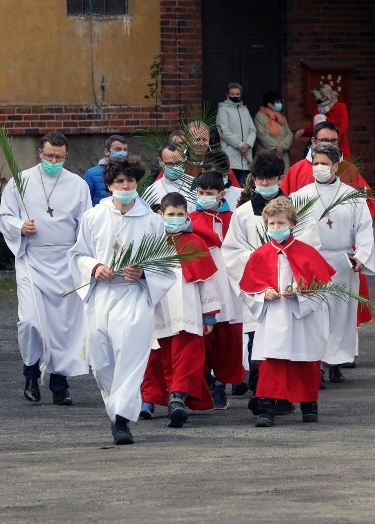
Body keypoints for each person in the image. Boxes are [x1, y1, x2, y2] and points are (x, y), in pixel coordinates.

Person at [68, 156, 176, 446]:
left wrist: (143, 273)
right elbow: (78, 254)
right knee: (102, 360)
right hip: (102, 293)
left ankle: (122, 421)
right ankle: (115, 409)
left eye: (130, 180)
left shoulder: (152, 220)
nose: (125, 185)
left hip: (134, 294)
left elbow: (166, 264)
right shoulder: (94, 216)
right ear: (109, 185)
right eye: (119, 181)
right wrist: (94, 267)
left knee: (130, 355)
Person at [0, 132, 91, 405]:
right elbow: (4, 216)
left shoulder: (78, 185)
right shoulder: (20, 181)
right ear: (39, 153)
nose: (53, 161)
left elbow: (86, 225)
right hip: (32, 260)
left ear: (66, 156)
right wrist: (19, 227)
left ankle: (60, 383)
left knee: (63, 325)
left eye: (59, 157)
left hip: (65, 261)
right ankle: (31, 372)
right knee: (30, 321)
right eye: (49, 156)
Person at [239, 197, 335, 427]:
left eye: (280, 223)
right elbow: (246, 289)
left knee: (305, 362)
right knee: (272, 365)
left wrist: (301, 294)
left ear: (292, 223)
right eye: (271, 224)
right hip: (274, 317)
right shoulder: (260, 254)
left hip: (302, 318)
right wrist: (263, 294)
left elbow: (325, 287)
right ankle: (266, 409)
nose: (275, 228)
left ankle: (309, 405)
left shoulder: (307, 253)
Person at [292, 141, 374, 383]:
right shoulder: (299, 196)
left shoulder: (352, 196)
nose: (319, 168)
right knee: (315, 313)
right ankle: (314, 363)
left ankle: (336, 362)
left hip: (341, 261)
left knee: (341, 314)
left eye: (324, 164)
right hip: (311, 263)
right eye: (315, 163)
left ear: (336, 166)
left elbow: (364, 229)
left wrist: (361, 256)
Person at [141, 192, 219, 427]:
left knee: (186, 355)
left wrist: (209, 315)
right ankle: (148, 399)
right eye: (170, 214)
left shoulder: (195, 242)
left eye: (180, 214)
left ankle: (178, 396)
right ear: (160, 215)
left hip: (187, 309)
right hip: (157, 308)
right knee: (153, 356)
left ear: (187, 215)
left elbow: (207, 281)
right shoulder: (149, 242)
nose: (175, 218)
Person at [222, 152, 287, 397]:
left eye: (270, 179)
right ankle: (261, 391)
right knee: (256, 340)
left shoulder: (294, 209)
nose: (265, 184)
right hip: (257, 285)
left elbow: (306, 245)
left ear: (280, 178)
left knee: (283, 340)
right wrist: (258, 259)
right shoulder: (243, 213)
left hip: (284, 285)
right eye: (260, 179)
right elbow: (231, 250)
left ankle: (281, 392)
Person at [189, 170, 247, 408]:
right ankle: (205, 384)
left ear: (222, 194)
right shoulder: (189, 219)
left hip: (230, 283)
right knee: (203, 337)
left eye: (209, 193)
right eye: (201, 193)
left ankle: (222, 384)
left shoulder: (234, 218)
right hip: (203, 283)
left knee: (228, 339)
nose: (204, 197)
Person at [295, 83, 350, 159]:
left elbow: (343, 128)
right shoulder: (317, 109)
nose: (315, 99)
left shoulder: (340, 107)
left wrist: (331, 139)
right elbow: (314, 128)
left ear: (325, 97)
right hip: (321, 149)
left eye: (317, 97)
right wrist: (304, 131)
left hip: (338, 146)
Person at [217, 82, 256, 185]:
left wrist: (247, 145)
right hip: (231, 157)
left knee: (244, 189)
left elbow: (253, 130)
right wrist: (240, 145)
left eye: (237, 94)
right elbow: (224, 132)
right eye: (232, 94)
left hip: (246, 156)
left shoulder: (245, 109)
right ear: (227, 95)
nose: (235, 96)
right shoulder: (223, 110)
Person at [143, 142, 196, 211]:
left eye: (178, 163)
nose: (175, 167)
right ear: (160, 161)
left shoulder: (196, 186)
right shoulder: (152, 191)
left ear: (184, 161)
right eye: (170, 164)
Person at [83, 135, 129, 206]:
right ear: (107, 151)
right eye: (118, 150)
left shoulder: (130, 172)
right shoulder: (92, 174)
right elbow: (84, 202)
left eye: (125, 150)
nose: (122, 153)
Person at [254, 91, 293, 172]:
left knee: (283, 180)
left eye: (280, 102)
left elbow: (289, 134)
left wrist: (282, 146)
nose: (280, 104)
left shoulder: (280, 117)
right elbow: (262, 135)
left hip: (283, 155)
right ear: (269, 104)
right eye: (277, 102)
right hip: (267, 155)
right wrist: (277, 147)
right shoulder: (260, 116)